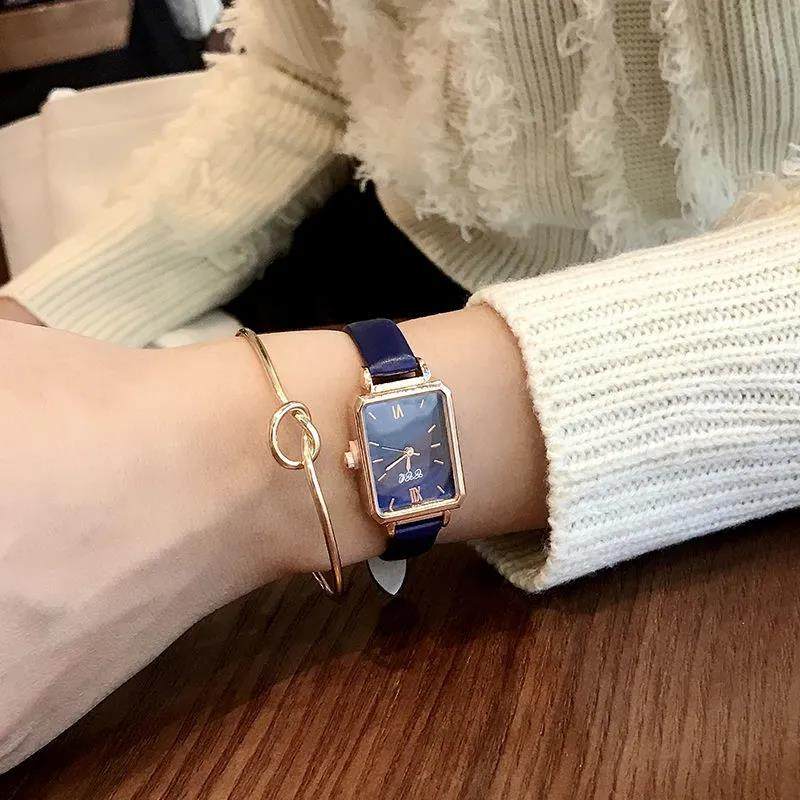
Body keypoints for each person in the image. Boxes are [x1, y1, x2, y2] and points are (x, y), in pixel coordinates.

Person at [2, 0, 799, 773]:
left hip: (720, 412)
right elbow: (308, 72)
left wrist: (235, 466)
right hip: (393, 305)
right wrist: (37, 317)